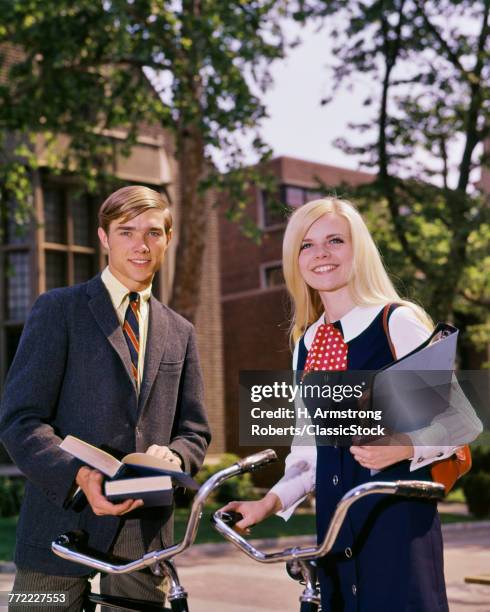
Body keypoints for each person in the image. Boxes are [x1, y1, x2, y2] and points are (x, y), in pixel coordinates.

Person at [222, 197, 482, 611]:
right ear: (295, 259)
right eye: (306, 245)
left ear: (357, 249)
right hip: (335, 533)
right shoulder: (305, 344)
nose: (320, 254)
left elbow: (462, 420)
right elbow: (310, 451)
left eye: (335, 240)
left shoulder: (394, 321)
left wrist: (405, 446)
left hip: (397, 528)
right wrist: (267, 503)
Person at [0, 185, 211, 610]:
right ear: (103, 237)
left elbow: (194, 430)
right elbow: (20, 419)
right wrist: (76, 475)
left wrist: (175, 457)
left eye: (153, 233)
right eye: (126, 231)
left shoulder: (180, 331)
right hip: (57, 526)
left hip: (144, 533)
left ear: (168, 239)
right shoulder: (58, 309)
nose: (140, 245)